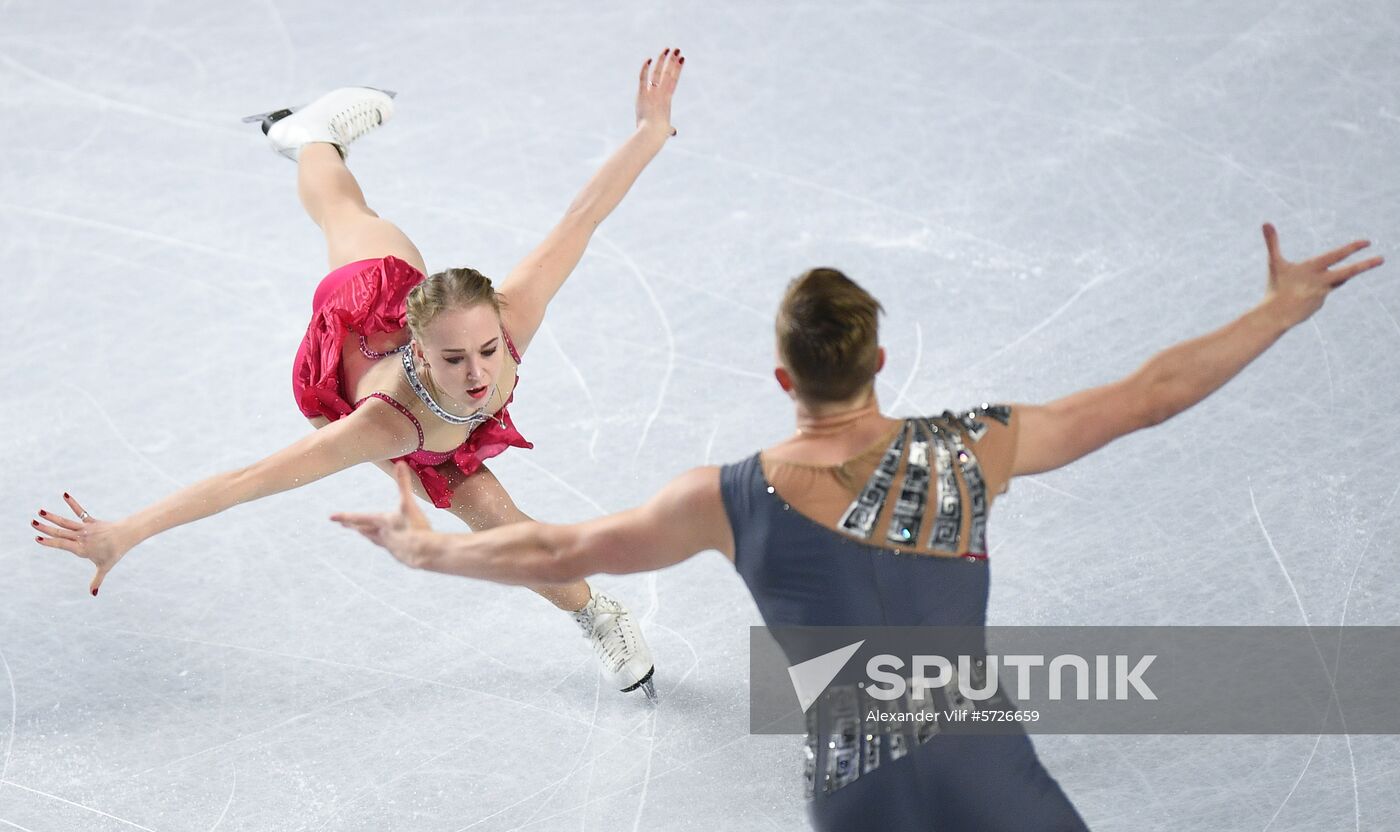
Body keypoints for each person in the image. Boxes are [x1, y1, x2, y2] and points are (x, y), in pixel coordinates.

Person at [328, 225, 1383, 829]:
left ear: (783, 377)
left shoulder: (724, 495)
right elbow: (1150, 391)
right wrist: (1275, 311)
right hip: (985, 774)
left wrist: (432, 548)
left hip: (854, 793)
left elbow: (556, 551)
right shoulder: (971, 450)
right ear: (878, 360)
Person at [30, 47, 691, 702]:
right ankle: (597, 614)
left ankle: (309, 134)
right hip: (347, 371)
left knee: (350, 212)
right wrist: (126, 532)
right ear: (422, 349)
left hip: (390, 294)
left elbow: (582, 216)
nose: (479, 374)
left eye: (488, 350)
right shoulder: (381, 425)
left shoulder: (511, 316)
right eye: (455, 359)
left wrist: (650, 132)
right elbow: (246, 481)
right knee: (494, 513)